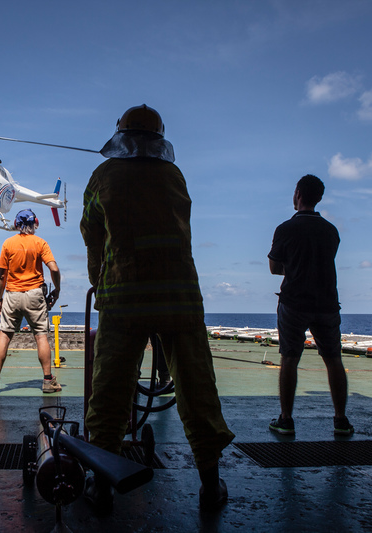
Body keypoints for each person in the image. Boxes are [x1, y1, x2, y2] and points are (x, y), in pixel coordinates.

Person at [80, 105, 234, 514]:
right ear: (160, 140)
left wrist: (101, 282)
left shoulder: (103, 176)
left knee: (110, 391)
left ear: (121, 135)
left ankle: (101, 485)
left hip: (124, 300)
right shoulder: (174, 175)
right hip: (179, 299)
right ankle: (210, 484)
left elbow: (92, 235)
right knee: (197, 390)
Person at [267, 174, 354, 436]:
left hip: (294, 302)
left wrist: (292, 266)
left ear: (298, 194)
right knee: (333, 359)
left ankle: (286, 419)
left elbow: (274, 268)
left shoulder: (285, 229)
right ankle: (340, 420)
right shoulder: (331, 231)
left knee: (289, 358)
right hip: (327, 303)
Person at [0, 209, 62, 393]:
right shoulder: (40, 243)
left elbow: (2, 275)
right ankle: (47, 382)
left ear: (16, 224)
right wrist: (57, 289)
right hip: (35, 295)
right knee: (41, 336)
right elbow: (54, 269)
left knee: (4, 335)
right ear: (34, 223)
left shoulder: (8, 243)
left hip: (12, 295)